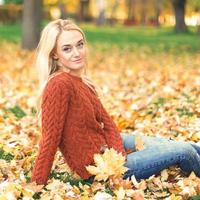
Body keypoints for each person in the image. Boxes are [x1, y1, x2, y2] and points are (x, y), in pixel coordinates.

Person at [31, 19, 200, 186]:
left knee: (184, 144)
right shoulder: (58, 85)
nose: (77, 53)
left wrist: (118, 154)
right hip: (100, 169)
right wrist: (36, 185)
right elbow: (49, 140)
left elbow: (108, 123)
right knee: (184, 152)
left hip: (109, 151)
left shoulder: (81, 82)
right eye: (67, 49)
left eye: (80, 45)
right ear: (54, 54)